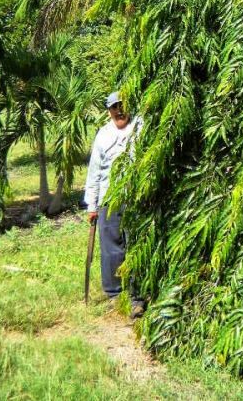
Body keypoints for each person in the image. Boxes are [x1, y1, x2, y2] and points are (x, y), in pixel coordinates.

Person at [84, 91, 145, 318]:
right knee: (111, 248)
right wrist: (92, 205)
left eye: (122, 105)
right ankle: (114, 295)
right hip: (109, 200)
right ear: (109, 111)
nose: (119, 110)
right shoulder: (103, 135)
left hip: (135, 198)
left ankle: (137, 297)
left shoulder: (140, 127)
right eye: (114, 107)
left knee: (136, 246)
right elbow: (94, 173)